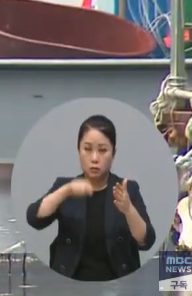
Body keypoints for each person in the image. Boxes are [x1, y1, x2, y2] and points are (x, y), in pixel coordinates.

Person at [25, 114, 156, 281]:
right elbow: (34, 218)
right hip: (70, 283)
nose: (94, 158)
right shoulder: (65, 187)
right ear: (78, 151)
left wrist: (128, 209)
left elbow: (146, 241)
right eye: (87, 149)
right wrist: (65, 191)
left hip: (118, 284)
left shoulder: (127, 189)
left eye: (102, 150)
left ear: (113, 153)